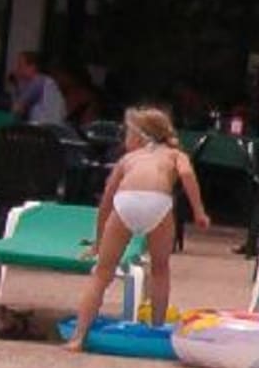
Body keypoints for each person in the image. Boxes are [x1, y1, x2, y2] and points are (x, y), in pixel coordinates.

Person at [68, 107, 208, 351]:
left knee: (102, 274)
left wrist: (98, 242)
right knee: (160, 269)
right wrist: (199, 211)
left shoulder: (128, 159)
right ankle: (156, 330)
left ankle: (78, 337)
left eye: (127, 133)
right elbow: (187, 175)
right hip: (158, 203)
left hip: (126, 201)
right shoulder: (175, 155)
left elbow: (106, 201)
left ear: (140, 137)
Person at [9, 50, 68, 126]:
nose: (17, 69)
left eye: (20, 65)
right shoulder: (45, 81)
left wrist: (17, 81)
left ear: (32, 67)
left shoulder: (38, 82)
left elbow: (17, 108)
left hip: (45, 126)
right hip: (51, 125)